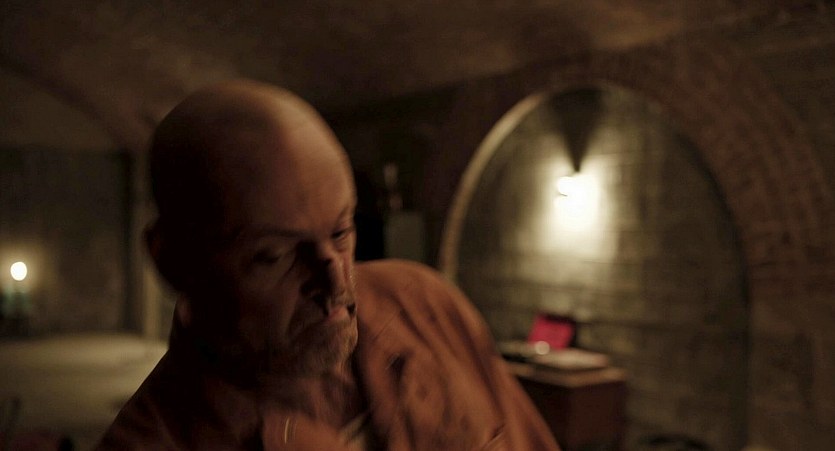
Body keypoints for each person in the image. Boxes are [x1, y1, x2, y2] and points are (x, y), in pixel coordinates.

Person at [96, 80, 560, 450]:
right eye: (274, 255)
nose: (335, 281)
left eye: (340, 232)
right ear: (174, 262)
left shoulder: (424, 304)